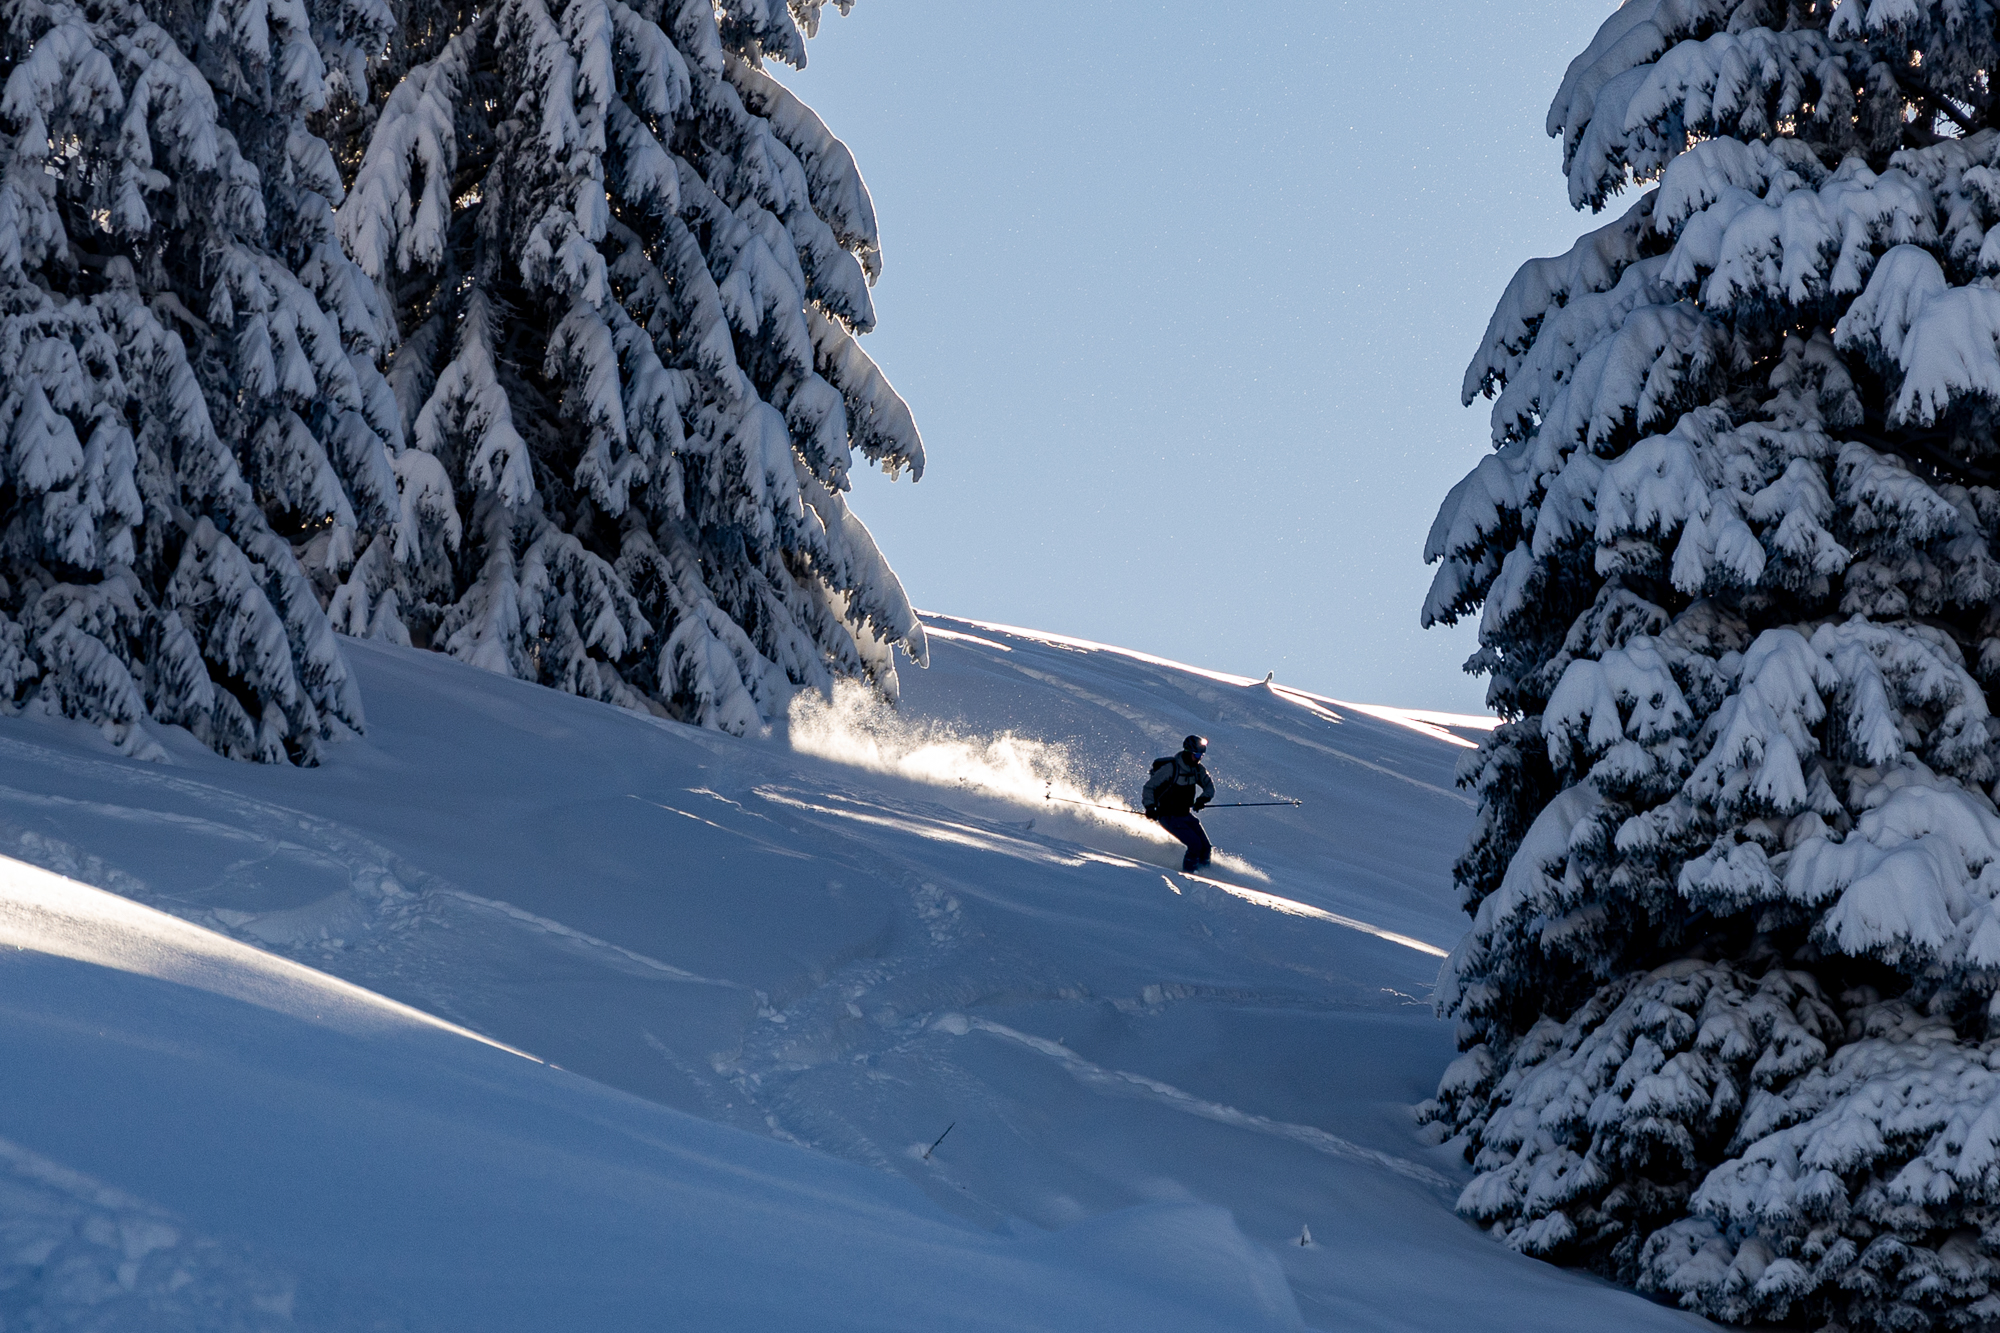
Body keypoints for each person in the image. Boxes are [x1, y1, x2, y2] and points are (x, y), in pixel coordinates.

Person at [1143, 734, 1215, 872]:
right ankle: (1190, 876)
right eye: (1197, 755)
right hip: (1168, 816)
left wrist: (1202, 799)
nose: (1199, 758)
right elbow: (1149, 787)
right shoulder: (1171, 769)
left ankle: (1206, 873)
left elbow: (1209, 786)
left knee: (1206, 847)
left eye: (1201, 755)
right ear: (1188, 753)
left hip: (1184, 815)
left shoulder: (1197, 770)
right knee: (1195, 846)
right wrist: (1150, 807)